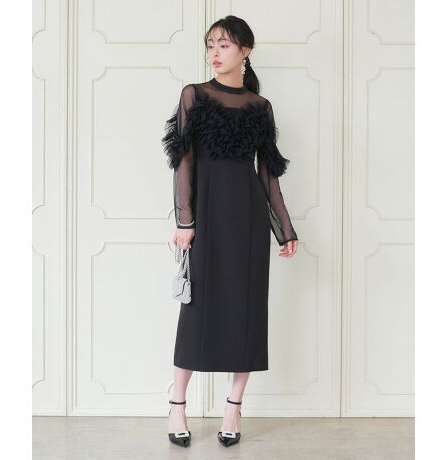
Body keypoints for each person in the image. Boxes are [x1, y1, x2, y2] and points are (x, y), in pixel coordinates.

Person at [162, 15, 299, 448]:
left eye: (223, 44)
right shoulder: (195, 95)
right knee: (196, 311)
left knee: (247, 312)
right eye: (210, 45)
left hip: (248, 221)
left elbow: (268, 174)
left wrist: (285, 229)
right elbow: (183, 162)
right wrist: (185, 221)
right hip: (206, 218)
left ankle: (233, 408)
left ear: (245, 51)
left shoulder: (260, 106)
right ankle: (177, 403)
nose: (215, 53)